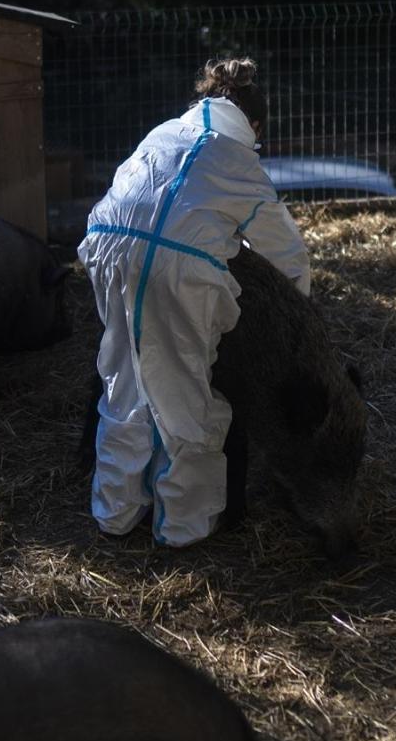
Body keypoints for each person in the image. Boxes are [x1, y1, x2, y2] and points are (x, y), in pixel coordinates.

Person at [79, 57, 311, 547]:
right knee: (185, 400)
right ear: (255, 124)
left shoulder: (161, 133)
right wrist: (299, 325)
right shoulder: (240, 161)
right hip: (177, 269)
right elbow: (288, 257)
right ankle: (184, 529)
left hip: (105, 247)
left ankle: (115, 515)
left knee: (125, 383)